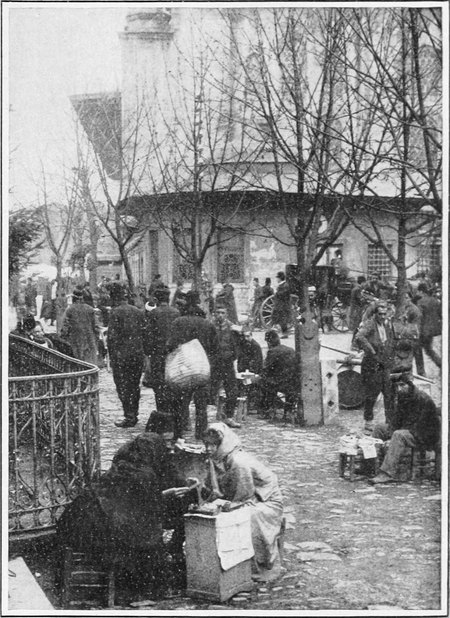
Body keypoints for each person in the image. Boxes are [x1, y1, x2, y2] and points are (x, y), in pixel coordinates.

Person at [55, 430, 198, 598]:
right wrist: (167, 495)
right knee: (147, 538)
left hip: (77, 521)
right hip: (98, 528)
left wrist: (177, 485)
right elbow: (145, 507)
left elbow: (130, 502)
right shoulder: (144, 474)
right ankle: (142, 586)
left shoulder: (123, 464)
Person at [202, 422, 283, 582]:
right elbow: (213, 488)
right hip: (245, 497)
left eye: (213, 445)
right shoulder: (216, 459)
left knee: (245, 518)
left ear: (221, 444)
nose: (209, 449)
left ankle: (258, 565)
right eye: (206, 444)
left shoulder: (238, 461)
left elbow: (243, 495)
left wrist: (224, 505)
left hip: (265, 500)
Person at [166, 290, 220, 442]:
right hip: (201, 368)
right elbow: (215, 349)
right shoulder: (207, 324)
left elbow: (170, 345)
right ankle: (201, 433)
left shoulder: (178, 322)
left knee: (179, 403)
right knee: (201, 406)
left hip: (183, 368)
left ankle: (179, 433)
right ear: (198, 302)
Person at [369, 374, 440, 484]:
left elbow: (422, 426)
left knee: (398, 435)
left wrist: (394, 436)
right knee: (379, 428)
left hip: (423, 435)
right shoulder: (403, 397)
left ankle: (386, 473)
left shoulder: (423, 399)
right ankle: (368, 465)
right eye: (397, 386)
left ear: (410, 385)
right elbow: (396, 420)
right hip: (409, 430)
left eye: (402, 385)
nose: (399, 389)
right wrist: (391, 431)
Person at [107, 283, 146, 428]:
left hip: (121, 356)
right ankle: (133, 413)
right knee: (134, 385)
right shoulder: (138, 311)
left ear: (113, 298)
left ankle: (129, 415)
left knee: (122, 386)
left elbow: (111, 337)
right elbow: (144, 332)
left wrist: (111, 356)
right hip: (137, 354)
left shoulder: (115, 312)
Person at [354, 300, 395, 433]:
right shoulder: (370, 324)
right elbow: (359, 337)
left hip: (384, 364)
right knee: (372, 394)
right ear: (375, 314)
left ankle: (389, 421)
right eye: (380, 314)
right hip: (371, 365)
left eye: (384, 314)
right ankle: (368, 420)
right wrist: (371, 350)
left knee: (388, 393)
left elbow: (390, 341)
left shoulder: (387, 325)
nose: (382, 317)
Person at [143, 286, 180, 414]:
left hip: (157, 354)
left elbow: (148, 335)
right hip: (173, 354)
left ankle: (162, 412)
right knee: (173, 383)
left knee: (159, 386)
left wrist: (148, 353)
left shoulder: (154, 313)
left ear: (156, 299)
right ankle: (173, 412)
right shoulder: (176, 312)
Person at [211, 303, 241, 428]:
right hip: (214, 362)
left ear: (226, 314)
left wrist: (232, 356)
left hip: (227, 362)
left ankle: (229, 417)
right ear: (214, 314)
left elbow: (237, 344)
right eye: (218, 313)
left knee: (232, 390)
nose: (220, 315)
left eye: (222, 313)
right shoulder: (210, 326)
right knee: (209, 390)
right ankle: (207, 418)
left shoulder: (232, 327)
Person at [257, 330, 297, 418]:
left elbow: (265, 369)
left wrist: (259, 374)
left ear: (268, 342)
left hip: (280, 384)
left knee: (263, 383)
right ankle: (288, 411)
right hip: (293, 383)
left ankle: (268, 410)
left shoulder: (272, 351)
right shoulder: (290, 349)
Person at [60, 287, 100, 366]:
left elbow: (65, 327)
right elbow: (96, 326)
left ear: (73, 298)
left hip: (75, 339)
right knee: (90, 362)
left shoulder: (70, 310)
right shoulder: (90, 309)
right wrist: (96, 337)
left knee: (77, 362)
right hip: (89, 339)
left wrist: (63, 337)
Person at [415, 283, 442, 375]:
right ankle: (441, 364)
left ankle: (421, 372)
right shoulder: (435, 301)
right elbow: (440, 315)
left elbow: (419, 317)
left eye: (418, 291)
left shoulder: (420, 302)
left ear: (421, 291)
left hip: (423, 330)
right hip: (432, 331)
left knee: (417, 350)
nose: (417, 293)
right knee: (429, 350)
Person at [237, 327, 264, 410]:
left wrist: (251, 371)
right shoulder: (242, 345)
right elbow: (240, 359)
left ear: (251, 336)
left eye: (248, 336)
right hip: (244, 370)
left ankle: (252, 403)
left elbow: (258, 361)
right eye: (244, 336)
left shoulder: (255, 346)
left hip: (254, 372)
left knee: (249, 383)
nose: (246, 338)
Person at [271, 271, 291, 338]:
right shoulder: (281, 285)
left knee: (283, 320)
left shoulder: (285, 285)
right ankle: (280, 331)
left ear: (280, 278)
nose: (276, 279)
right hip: (279, 305)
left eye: (277, 278)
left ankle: (285, 333)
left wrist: (276, 293)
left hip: (283, 306)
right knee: (278, 318)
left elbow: (283, 294)